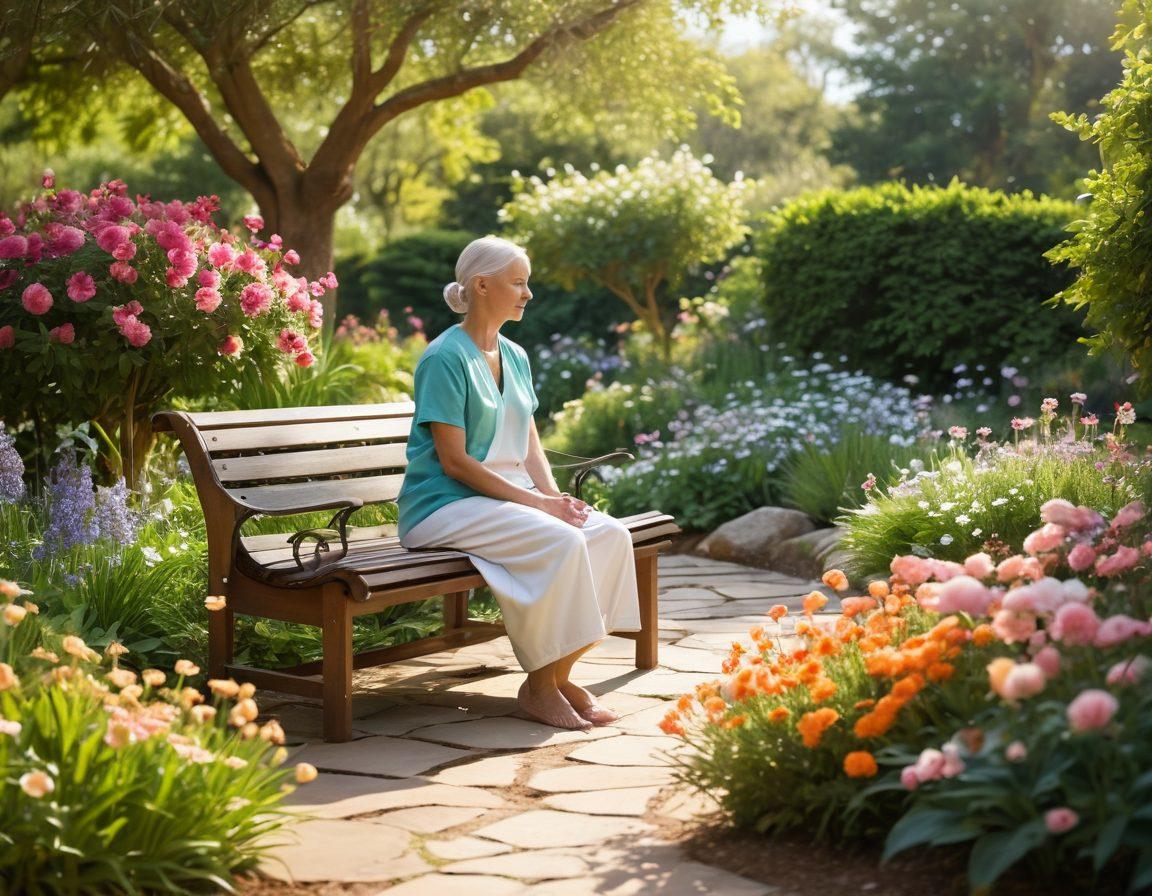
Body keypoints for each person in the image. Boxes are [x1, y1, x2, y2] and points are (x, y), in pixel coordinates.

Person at [397, 235, 641, 731]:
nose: (528, 294)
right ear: (482, 286)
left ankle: (556, 675)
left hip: (501, 501)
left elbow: (531, 444)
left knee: (610, 536)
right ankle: (541, 683)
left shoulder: (516, 355)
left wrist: (553, 497)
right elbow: (455, 463)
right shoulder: (444, 358)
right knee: (563, 542)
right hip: (443, 505)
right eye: (519, 283)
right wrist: (540, 507)